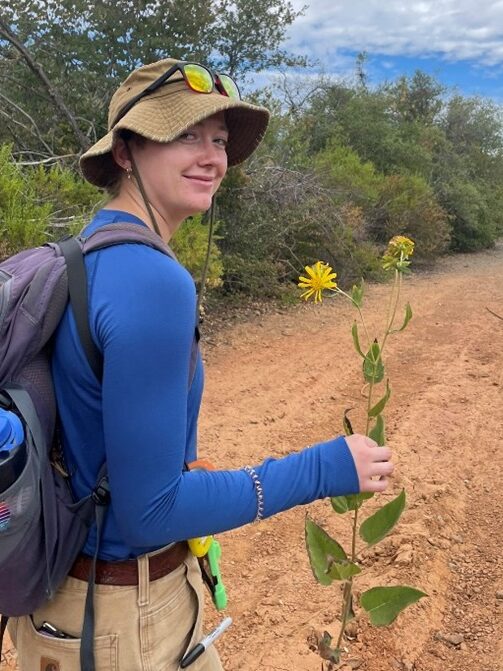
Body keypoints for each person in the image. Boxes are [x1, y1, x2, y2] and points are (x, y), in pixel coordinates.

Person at [8, 58, 394, 671]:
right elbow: (150, 510)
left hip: (68, 610)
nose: (212, 156)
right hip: (119, 625)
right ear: (128, 151)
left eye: (218, 139)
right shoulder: (152, 281)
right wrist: (324, 468)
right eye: (185, 134)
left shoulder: (88, 253)